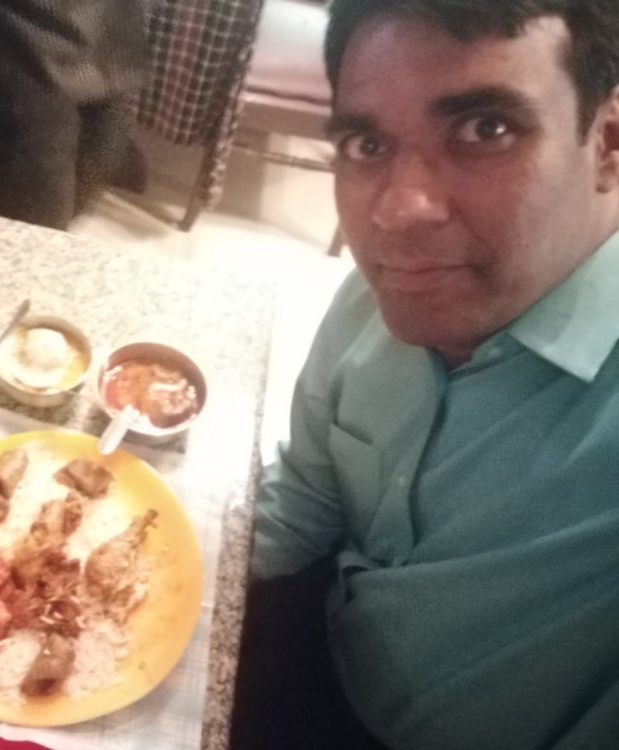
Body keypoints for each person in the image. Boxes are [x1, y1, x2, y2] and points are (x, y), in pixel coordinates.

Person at [232, 1, 619, 748]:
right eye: (368, 143)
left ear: (606, 141)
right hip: (314, 632)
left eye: (485, 130)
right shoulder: (381, 297)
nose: (398, 212)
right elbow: (306, 497)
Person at [0, 0, 148, 230]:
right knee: (35, 203)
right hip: (8, 24)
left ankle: (40, 237)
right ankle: (26, 243)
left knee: (105, 141)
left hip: (107, 15)